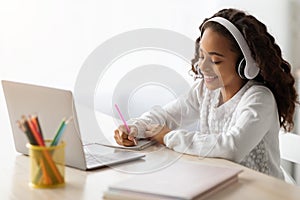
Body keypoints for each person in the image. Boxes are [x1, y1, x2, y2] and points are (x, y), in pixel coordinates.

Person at [114, 8, 298, 179]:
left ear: (245, 65)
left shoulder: (259, 99)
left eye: (215, 60)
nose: (202, 66)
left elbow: (232, 147)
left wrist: (168, 137)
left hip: (261, 192)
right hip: (221, 183)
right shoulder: (205, 92)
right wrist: (135, 128)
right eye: (202, 56)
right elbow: (166, 115)